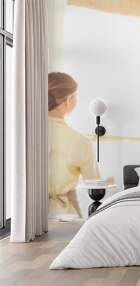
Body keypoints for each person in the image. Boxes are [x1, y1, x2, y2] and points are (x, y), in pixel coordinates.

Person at [48, 72, 100, 219]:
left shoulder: (24, 134)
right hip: (63, 216)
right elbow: (93, 183)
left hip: (28, 214)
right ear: (70, 99)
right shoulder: (80, 141)